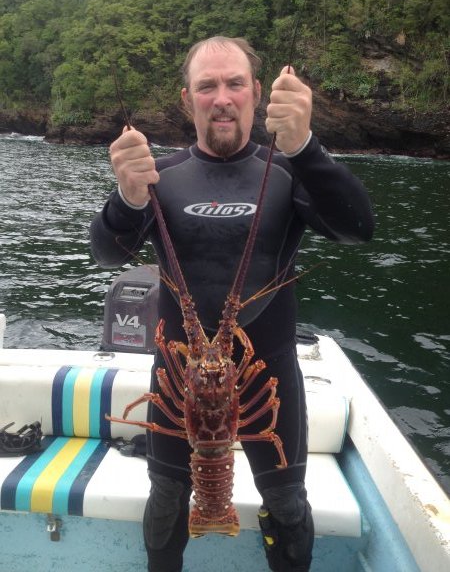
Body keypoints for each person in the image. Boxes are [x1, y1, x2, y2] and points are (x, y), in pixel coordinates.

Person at [90, 36, 374, 572]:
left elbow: (357, 229)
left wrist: (305, 144)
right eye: (207, 86)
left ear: (257, 93)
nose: (222, 97)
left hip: (271, 376)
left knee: (289, 507)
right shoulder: (159, 178)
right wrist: (125, 199)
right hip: (181, 383)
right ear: (186, 100)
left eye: (234, 83)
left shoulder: (288, 172)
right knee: (167, 505)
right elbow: (107, 254)